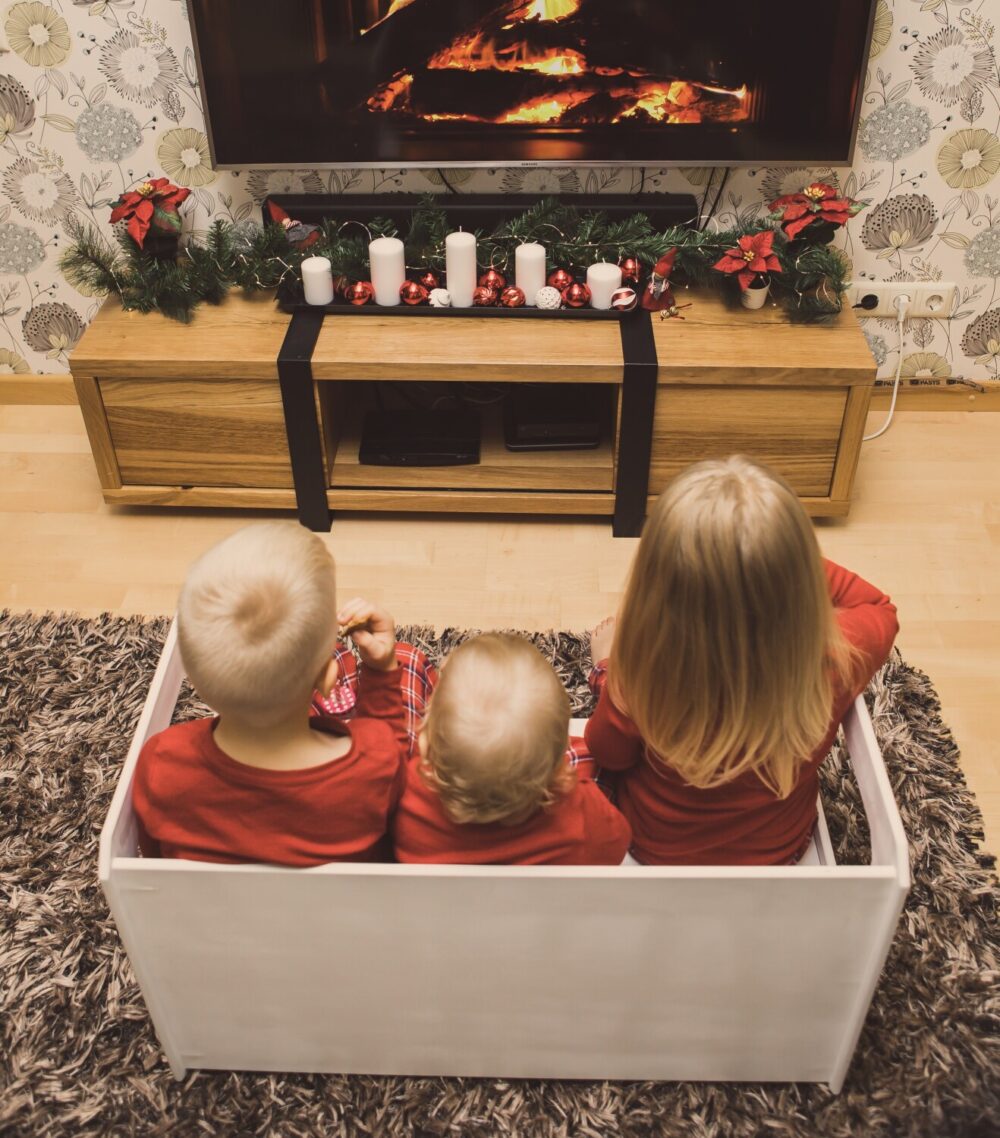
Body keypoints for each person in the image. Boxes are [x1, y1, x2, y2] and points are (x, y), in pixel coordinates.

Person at [586, 455, 899, 866]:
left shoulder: (641, 669)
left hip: (654, 850)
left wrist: (605, 668)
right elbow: (878, 606)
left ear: (655, 586)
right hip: (779, 852)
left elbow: (607, 753)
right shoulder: (839, 657)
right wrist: (780, 564)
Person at [133, 521, 430, 865]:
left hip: (218, 914)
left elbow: (157, 858)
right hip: (348, 912)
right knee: (409, 660)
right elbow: (392, 747)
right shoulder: (373, 764)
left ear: (195, 681)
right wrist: (381, 670)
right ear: (327, 676)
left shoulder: (162, 760)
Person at [393, 633, 631, 865]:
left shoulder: (404, 798)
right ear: (559, 764)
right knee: (589, 752)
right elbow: (618, 842)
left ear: (425, 744)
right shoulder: (581, 816)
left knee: (404, 657)